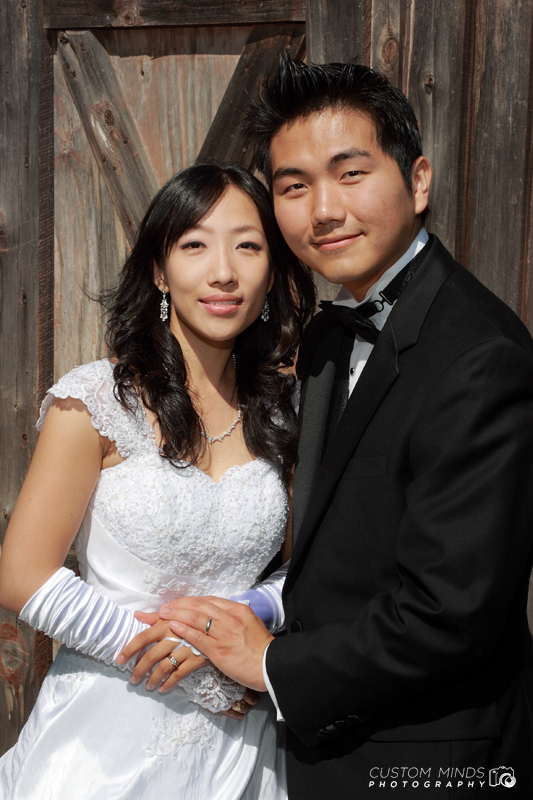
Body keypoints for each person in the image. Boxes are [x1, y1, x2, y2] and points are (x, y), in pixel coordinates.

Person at [149, 59, 533, 798]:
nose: (322, 209)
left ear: (416, 181)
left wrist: (267, 663)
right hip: (312, 748)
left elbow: (448, 612)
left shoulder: (480, 357)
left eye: (349, 172)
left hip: (429, 759)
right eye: (293, 186)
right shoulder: (328, 335)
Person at [0, 161, 315, 799]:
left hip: (241, 739)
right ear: (158, 269)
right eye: (194, 245)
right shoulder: (93, 403)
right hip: (103, 740)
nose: (223, 271)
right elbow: (22, 576)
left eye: (248, 246)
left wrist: (252, 619)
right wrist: (177, 662)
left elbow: (308, 567)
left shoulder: (289, 412)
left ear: (274, 271)